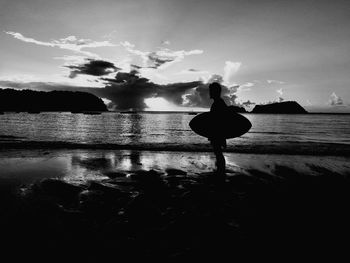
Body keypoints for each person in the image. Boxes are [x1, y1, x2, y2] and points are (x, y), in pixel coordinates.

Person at [208, 82, 228, 176]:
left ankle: (221, 171)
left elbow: (220, 120)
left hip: (218, 133)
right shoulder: (218, 102)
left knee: (218, 152)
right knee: (218, 152)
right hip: (218, 133)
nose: (209, 93)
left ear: (215, 92)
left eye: (211, 91)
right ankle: (220, 170)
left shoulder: (218, 103)